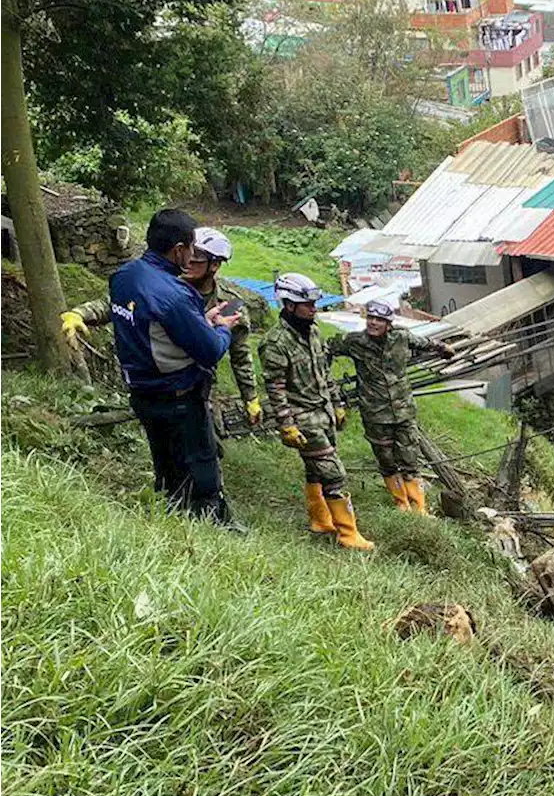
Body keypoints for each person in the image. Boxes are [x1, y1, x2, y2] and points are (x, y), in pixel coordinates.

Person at [107, 209, 243, 530]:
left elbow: (153, 327)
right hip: (178, 397)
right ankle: (210, 530)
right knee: (201, 471)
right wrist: (221, 328)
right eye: (192, 248)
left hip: (142, 393)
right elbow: (209, 351)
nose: (194, 255)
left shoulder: (124, 276)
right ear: (179, 249)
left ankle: (171, 522)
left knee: (167, 469)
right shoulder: (174, 294)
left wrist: (199, 323)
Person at [62, 227, 261, 434]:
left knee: (208, 441)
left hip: (201, 384)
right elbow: (116, 303)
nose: (189, 261)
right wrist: (80, 313)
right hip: (160, 384)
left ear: (215, 265)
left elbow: (240, 357)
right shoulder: (162, 290)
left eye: (197, 258)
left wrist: (251, 398)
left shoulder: (229, 306)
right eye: (190, 253)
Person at [259, 273, 373, 551]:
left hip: (323, 412)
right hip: (302, 417)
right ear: (288, 306)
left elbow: (325, 373)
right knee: (334, 473)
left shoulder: (313, 331)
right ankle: (348, 534)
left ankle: (320, 519)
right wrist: (286, 424)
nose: (314, 309)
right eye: (307, 304)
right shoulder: (275, 343)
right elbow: (276, 389)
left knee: (316, 470)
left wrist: (337, 403)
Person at [327, 299, 453, 513]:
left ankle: (419, 507)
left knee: (410, 459)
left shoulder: (401, 337)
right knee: (386, 460)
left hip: (403, 411)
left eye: (379, 320)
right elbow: (327, 348)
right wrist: (330, 387)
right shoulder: (354, 341)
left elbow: (424, 343)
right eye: (371, 318)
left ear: (389, 324)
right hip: (375, 413)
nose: (373, 323)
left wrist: (443, 348)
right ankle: (401, 504)